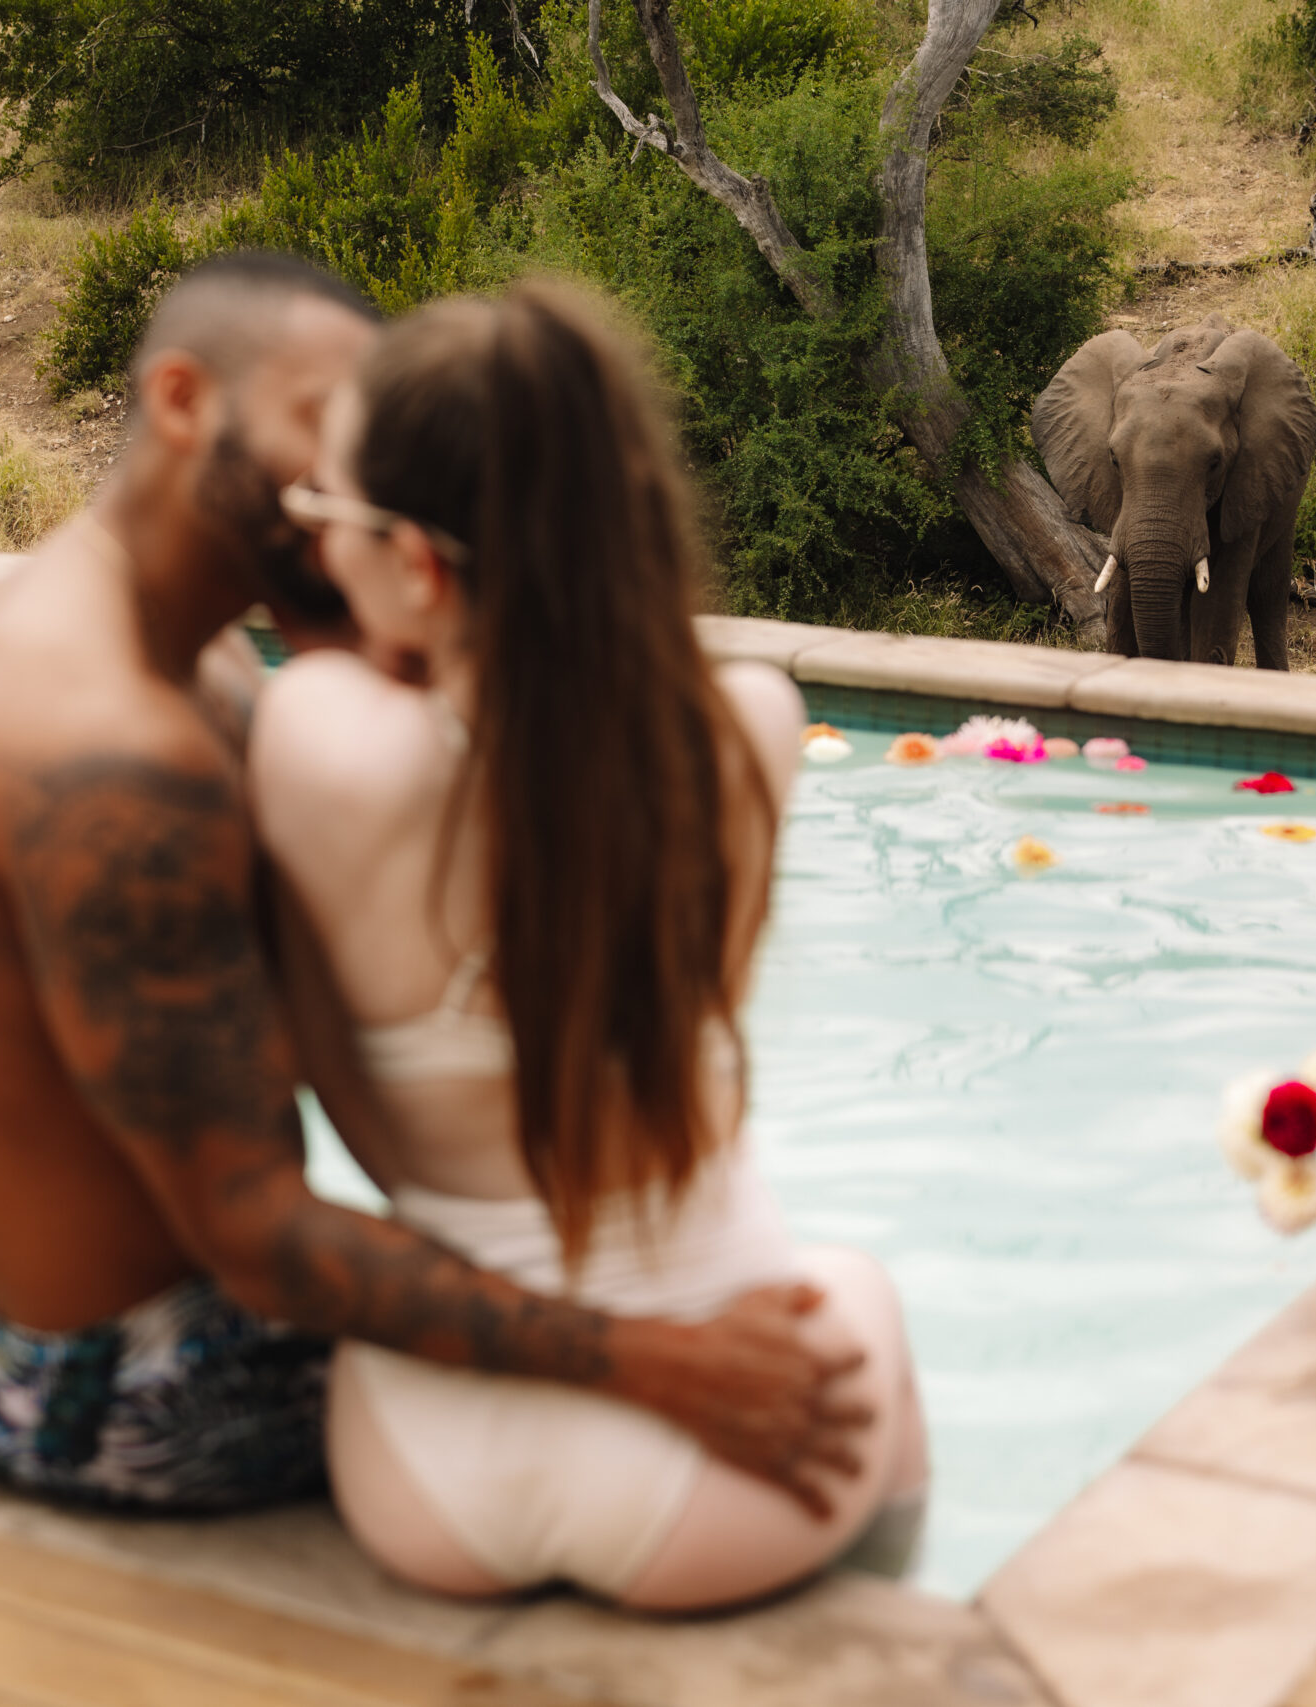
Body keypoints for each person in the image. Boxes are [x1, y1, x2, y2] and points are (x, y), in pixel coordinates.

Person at [0, 252, 872, 1520]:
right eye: (319, 424)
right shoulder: (113, 759)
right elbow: (260, 1238)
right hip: (103, 1388)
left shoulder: (165, 629)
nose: (345, 473)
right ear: (184, 401)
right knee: (769, 1390)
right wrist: (660, 1366)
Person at [248, 280, 928, 1610]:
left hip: (424, 1465)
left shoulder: (318, 747)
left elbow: (350, 657)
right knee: (861, 1300)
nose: (316, 543)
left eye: (330, 516)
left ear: (421, 564)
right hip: (750, 1466)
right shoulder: (749, 732)